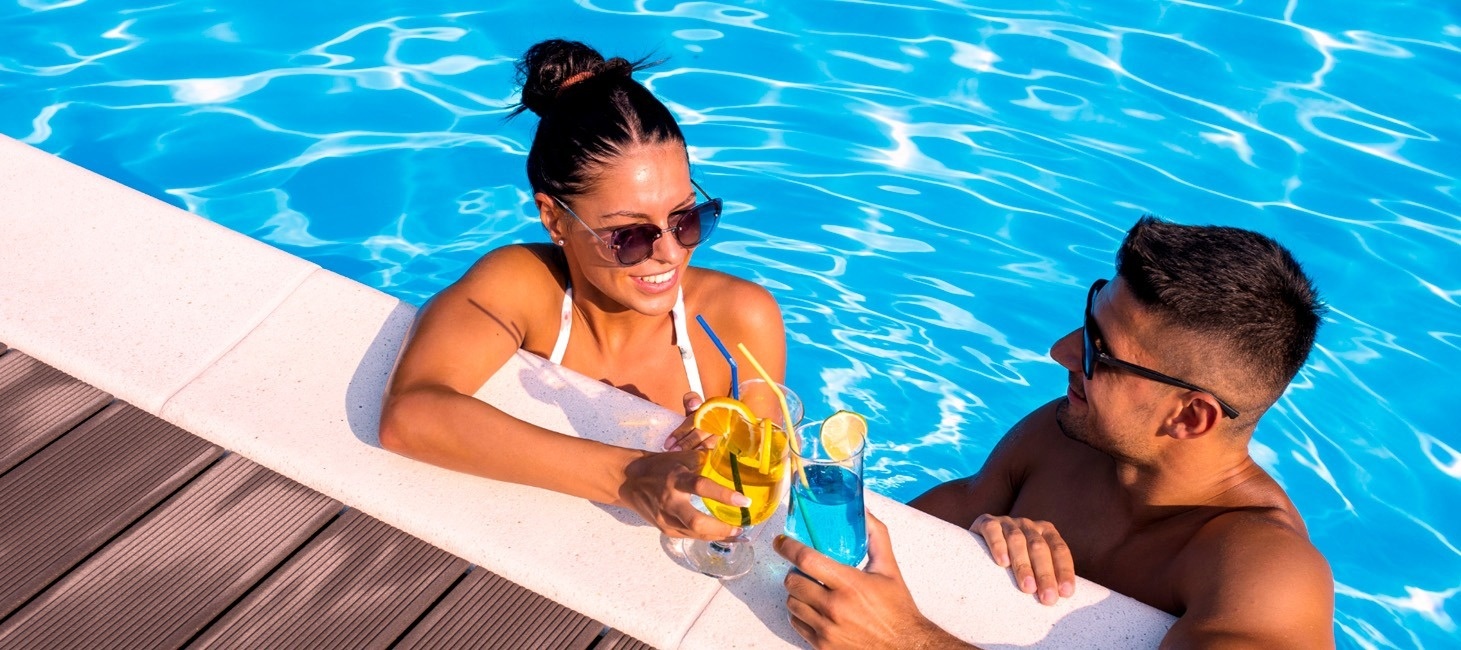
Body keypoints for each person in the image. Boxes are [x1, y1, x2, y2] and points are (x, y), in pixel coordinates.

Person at [776, 216, 1335, 648]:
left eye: (1100, 351)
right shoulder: (1065, 435)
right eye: (1090, 317)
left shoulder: (1268, 572)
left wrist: (908, 642)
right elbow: (904, 535)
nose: (1062, 351)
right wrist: (980, 534)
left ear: (1190, 417)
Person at [379, 39, 785, 542]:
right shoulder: (525, 286)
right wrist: (630, 476)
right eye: (629, 235)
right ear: (554, 218)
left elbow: (761, 488)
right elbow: (411, 414)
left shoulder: (741, 317)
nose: (670, 253)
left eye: (685, 218)